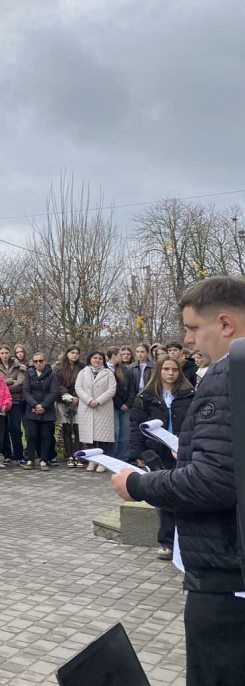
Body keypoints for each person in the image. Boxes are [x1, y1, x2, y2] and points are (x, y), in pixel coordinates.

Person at [111, 276, 245, 686]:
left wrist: (137, 484)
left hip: (224, 573)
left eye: (192, 328)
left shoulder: (228, 376)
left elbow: (216, 481)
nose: (186, 341)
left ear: (224, 324)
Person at [129, 355, 194, 562]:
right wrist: (137, 453)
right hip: (157, 452)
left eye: (174, 369)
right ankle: (166, 542)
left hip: (183, 450)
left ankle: (185, 540)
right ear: (159, 371)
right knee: (162, 494)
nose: (170, 373)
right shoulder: (146, 396)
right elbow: (136, 425)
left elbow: (196, 423)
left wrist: (185, 444)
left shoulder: (189, 394)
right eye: (166, 369)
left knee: (185, 493)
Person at [75, 350, 117, 472]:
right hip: (87, 407)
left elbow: (111, 390)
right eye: (95, 358)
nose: (97, 360)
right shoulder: (82, 372)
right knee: (90, 437)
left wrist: (98, 401)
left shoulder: (108, 373)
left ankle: (102, 462)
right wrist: (89, 400)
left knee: (102, 437)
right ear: (90, 359)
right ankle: (92, 461)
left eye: (99, 358)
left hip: (103, 407)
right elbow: (78, 387)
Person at [22, 352, 58, 471]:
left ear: (45, 361)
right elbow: (26, 391)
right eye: (35, 361)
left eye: (40, 361)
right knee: (31, 435)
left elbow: (54, 392)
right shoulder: (29, 373)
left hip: (47, 409)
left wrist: (43, 405)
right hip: (32, 408)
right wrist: (35, 404)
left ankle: (44, 460)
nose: (38, 363)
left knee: (46, 435)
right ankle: (30, 459)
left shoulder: (52, 374)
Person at [52, 347, 84, 467]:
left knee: (78, 429)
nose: (75, 355)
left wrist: (76, 397)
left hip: (79, 400)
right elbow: (57, 384)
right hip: (63, 400)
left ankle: (78, 455)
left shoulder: (83, 367)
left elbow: (83, 384)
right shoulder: (59, 367)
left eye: (77, 353)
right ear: (67, 354)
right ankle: (70, 455)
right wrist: (68, 397)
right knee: (66, 428)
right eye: (72, 353)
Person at [0, 345, 27, 466]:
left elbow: (21, 383)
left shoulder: (18, 365)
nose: (4, 355)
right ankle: (7, 455)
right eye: (2, 353)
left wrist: (4, 384)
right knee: (3, 429)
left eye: (6, 353)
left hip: (16, 401)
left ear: (10, 353)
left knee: (15, 428)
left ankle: (19, 456)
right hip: (1, 401)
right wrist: (10, 381)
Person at [108, 346, 135, 462]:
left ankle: (123, 458)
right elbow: (110, 391)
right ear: (114, 356)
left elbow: (131, 388)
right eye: (120, 354)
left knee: (125, 433)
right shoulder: (105, 370)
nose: (123, 357)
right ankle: (112, 457)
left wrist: (128, 403)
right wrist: (120, 404)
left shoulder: (124, 369)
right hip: (112, 406)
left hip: (126, 406)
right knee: (115, 432)